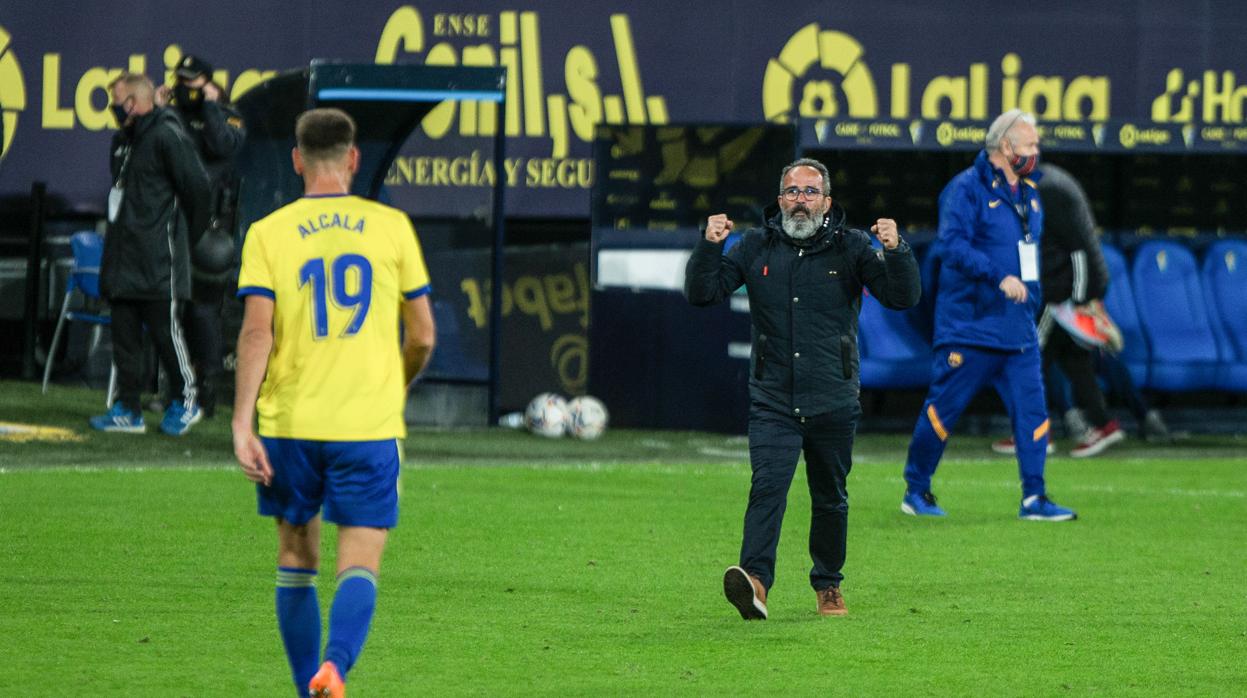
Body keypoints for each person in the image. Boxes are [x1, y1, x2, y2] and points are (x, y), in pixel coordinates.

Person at [231, 108, 436, 697]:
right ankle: (336, 668)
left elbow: (256, 333)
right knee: (359, 564)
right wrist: (391, 387)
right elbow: (422, 335)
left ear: (297, 160)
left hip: (290, 423)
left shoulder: (268, 232)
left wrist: (242, 423)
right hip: (366, 425)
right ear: (352, 160)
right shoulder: (391, 226)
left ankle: (305, 689)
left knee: (296, 561)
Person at [685, 157, 920, 620]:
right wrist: (709, 246)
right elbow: (702, 293)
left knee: (830, 496)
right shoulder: (754, 246)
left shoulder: (852, 248)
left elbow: (902, 297)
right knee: (767, 488)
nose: (800, 200)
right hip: (773, 397)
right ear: (780, 200)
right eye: (792, 191)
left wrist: (898, 251)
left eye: (810, 192)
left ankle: (828, 585)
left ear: (827, 202)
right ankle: (755, 582)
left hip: (834, 396)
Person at [901, 109, 1077, 521]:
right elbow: (952, 247)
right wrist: (999, 277)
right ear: (1005, 147)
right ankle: (916, 489)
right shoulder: (965, 189)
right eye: (1030, 145)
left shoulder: (1031, 194)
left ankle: (1035, 497)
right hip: (970, 327)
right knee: (943, 411)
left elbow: (1030, 256)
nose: (1036, 152)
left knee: (1033, 413)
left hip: (1017, 330)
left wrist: (1031, 300)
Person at [90, 72, 210, 436]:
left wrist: (183, 239)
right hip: (123, 257)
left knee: (166, 335)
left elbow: (199, 191)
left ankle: (186, 400)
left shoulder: (167, 136)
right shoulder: (124, 143)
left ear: (134, 103)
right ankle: (128, 408)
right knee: (124, 337)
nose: (113, 109)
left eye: (118, 101)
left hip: (160, 260)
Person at [991, 162, 1125, 457]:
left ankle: (1036, 433)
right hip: (1054, 292)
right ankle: (1103, 425)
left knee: (1024, 358)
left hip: (1058, 297)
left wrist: (1079, 298)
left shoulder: (1048, 191)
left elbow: (1078, 250)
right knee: (1074, 361)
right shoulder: (1032, 193)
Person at [157, 53, 246, 419]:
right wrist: (160, 110)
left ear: (208, 82)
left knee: (203, 309)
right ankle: (175, 387)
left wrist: (209, 106)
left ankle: (207, 387)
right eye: (181, 80)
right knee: (171, 308)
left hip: (210, 230)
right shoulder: (174, 115)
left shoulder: (227, 114)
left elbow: (223, 146)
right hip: (172, 223)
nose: (184, 87)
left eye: (192, 81)